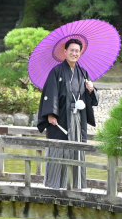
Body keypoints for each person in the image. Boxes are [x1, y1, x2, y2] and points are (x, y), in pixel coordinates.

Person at [36, 38, 98, 189]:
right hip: (61, 118)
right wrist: (50, 114)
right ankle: (55, 184)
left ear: (80, 53)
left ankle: (75, 183)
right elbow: (50, 94)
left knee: (76, 148)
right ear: (65, 51)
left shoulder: (83, 73)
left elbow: (93, 100)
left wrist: (91, 89)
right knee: (59, 149)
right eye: (72, 50)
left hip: (78, 118)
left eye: (77, 51)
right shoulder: (56, 71)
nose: (74, 53)